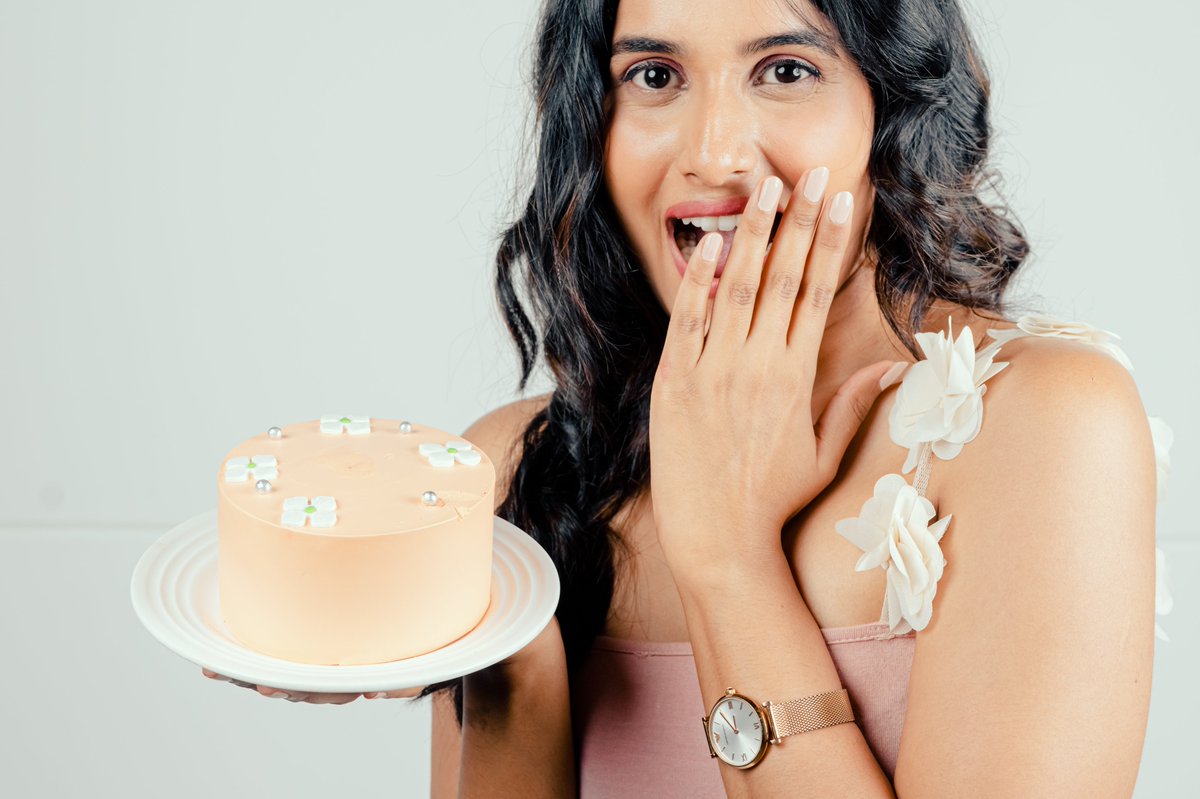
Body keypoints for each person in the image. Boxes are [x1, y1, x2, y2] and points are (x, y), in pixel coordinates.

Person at [207, 0, 1160, 795]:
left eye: (786, 70)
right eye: (654, 75)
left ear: (892, 103)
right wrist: (515, 663)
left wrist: (728, 558)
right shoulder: (510, 465)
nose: (716, 156)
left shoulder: (1037, 424)